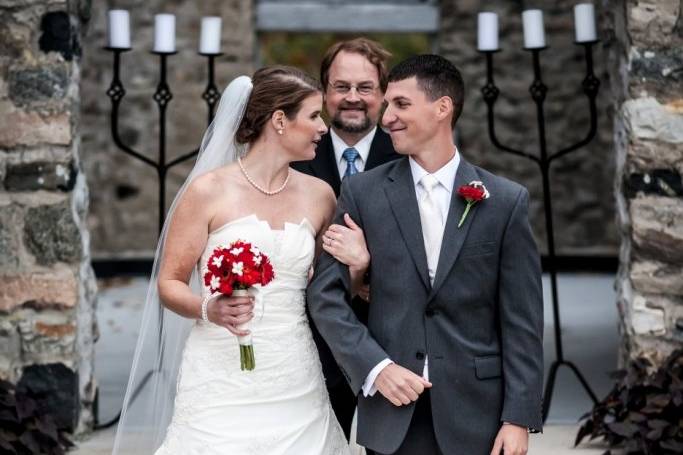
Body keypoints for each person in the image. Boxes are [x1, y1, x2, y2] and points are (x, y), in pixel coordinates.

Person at [112, 66, 369, 454]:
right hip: (219, 370)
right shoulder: (207, 191)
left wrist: (359, 267)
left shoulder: (321, 196)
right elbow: (169, 283)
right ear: (280, 120)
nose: (322, 127)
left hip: (293, 370)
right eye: (314, 115)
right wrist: (207, 307)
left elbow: (327, 292)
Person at [309, 54, 544, 455]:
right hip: (393, 410)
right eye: (387, 106)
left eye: (401, 104)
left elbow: (522, 320)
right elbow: (324, 298)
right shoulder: (362, 193)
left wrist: (518, 417)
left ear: (442, 108)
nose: (386, 119)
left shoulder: (505, 201)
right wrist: (376, 368)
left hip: (479, 415)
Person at [291, 37, 400, 438]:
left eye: (365, 87)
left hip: (392, 343)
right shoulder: (294, 154)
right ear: (323, 93)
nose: (353, 98)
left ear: (384, 94)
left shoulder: (409, 154)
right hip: (307, 344)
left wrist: (365, 273)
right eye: (341, 86)